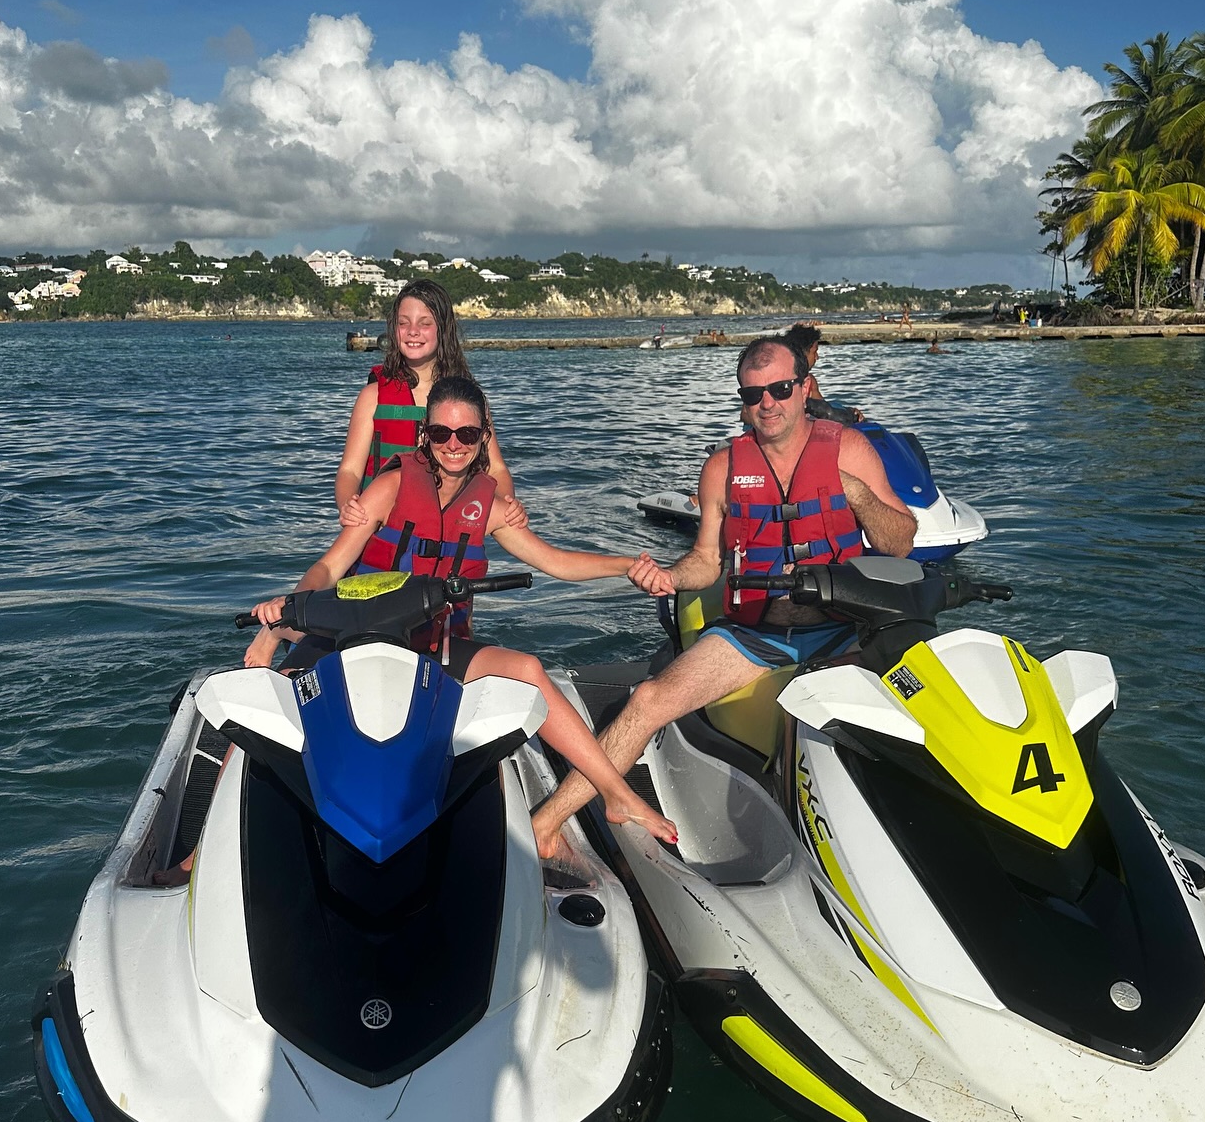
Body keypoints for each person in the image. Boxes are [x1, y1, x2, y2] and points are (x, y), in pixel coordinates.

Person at [246, 376, 678, 855]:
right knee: (272, 695)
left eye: (467, 434)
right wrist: (287, 611)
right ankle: (199, 849)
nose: (453, 445)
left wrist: (626, 566)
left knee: (530, 670)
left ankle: (616, 795)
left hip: (433, 645)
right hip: (354, 638)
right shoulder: (390, 487)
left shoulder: (490, 506)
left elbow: (556, 562)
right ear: (424, 435)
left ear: (483, 438)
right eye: (441, 433)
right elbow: (329, 567)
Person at [530, 338, 915, 856]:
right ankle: (548, 822)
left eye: (780, 389)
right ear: (742, 401)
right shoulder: (722, 468)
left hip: (847, 626)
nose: (768, 404)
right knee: (646, 700)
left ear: (804, 389)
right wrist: (668, 577)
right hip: (758, 632)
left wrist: (859, 494)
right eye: (754, 394)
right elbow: (707, 561)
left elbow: (900, 544)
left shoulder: (849, 449)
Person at [334, 279, 522, 530]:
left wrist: (507, 505)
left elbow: (495, 468)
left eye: (425, 324)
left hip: (445, 531)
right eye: (403, 323)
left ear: (442, 330)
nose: (413, 331)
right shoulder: (372, 397)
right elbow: (349, 471)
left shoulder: (468, 400)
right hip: (381, 529)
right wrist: (348, 505)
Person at [785, 322, 863, 425]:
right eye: (814, 352)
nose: (817, 357)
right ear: (803, 353)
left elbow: (825, 409)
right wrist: (851, 417)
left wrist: (850, 412)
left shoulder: (809, 381)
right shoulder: (805, 381)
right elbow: (828, 413)